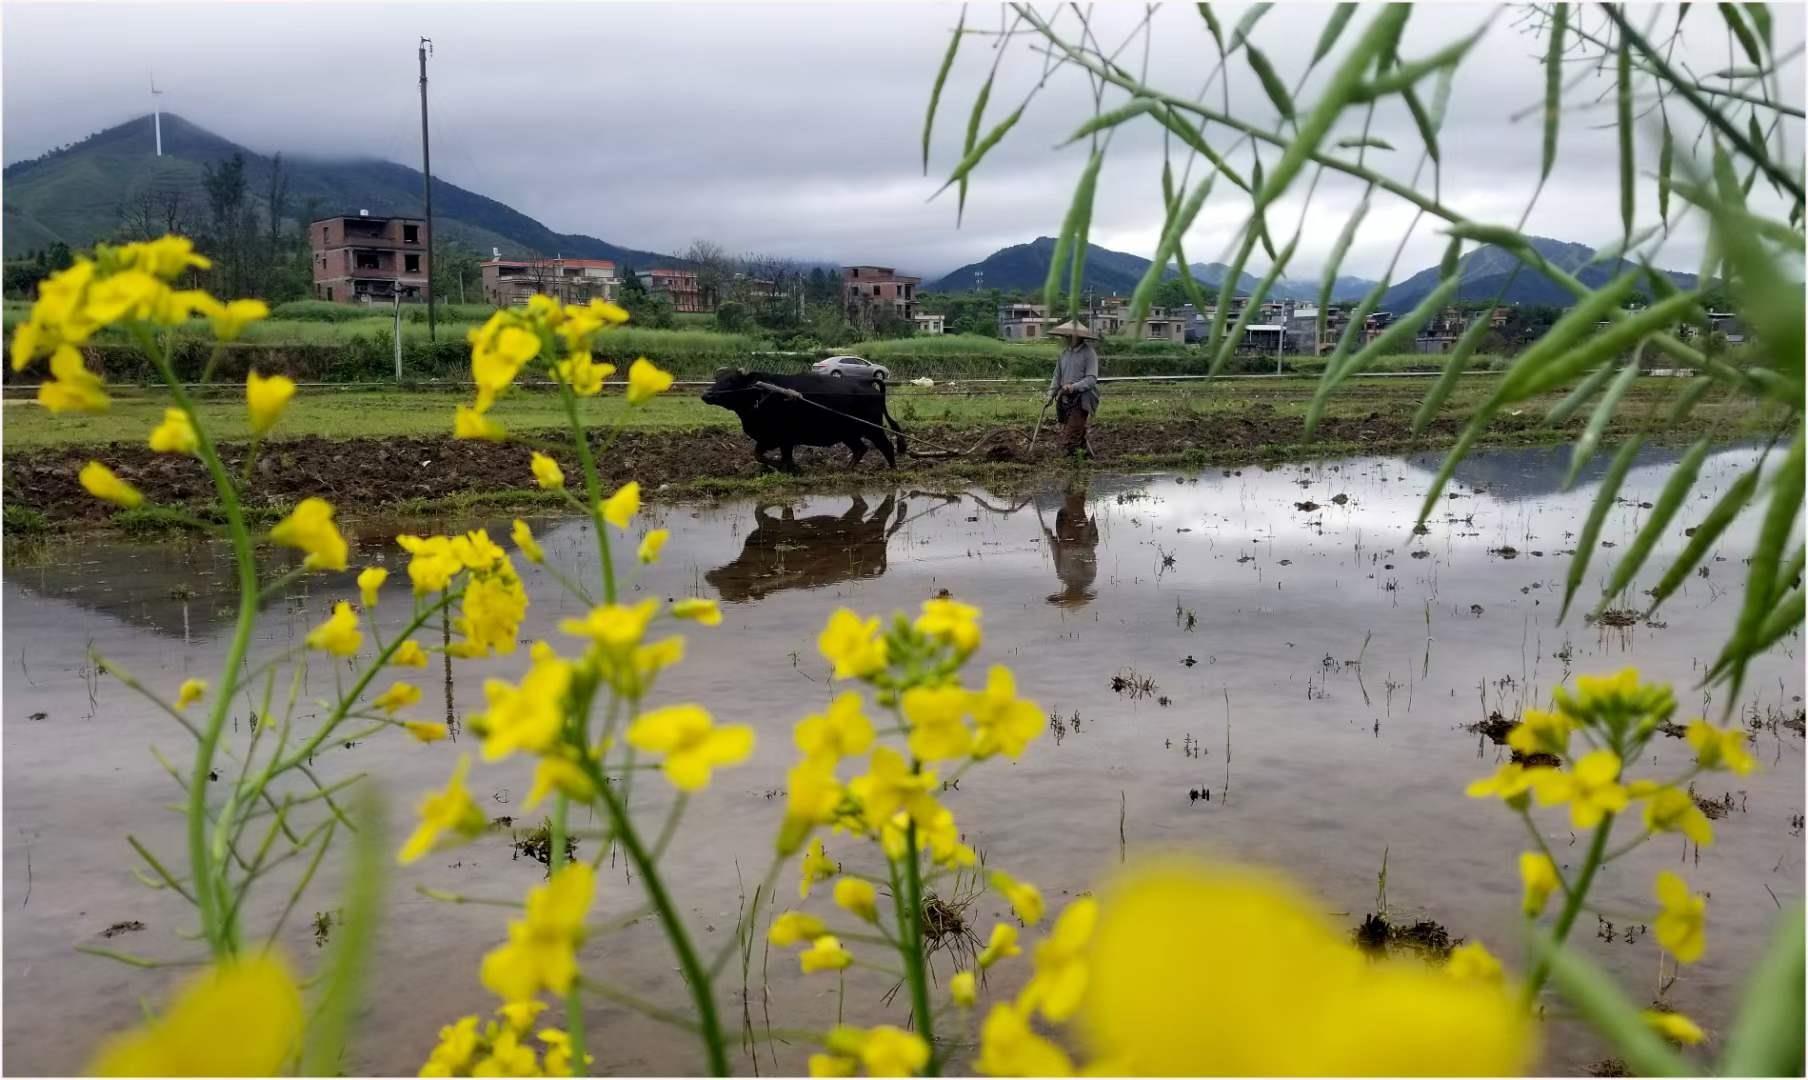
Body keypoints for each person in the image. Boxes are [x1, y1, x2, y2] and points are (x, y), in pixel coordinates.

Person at [1046, 320, 1099, 457]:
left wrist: (1073, 387)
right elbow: (1056, 376)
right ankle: (1086, 457)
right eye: (1066, 336)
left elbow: (1091, 379)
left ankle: (1072, 466)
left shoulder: (1089, 353)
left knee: (1070, 440)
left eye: (1070, 336)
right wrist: (1050, 395)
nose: (1067, 338)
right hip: (1065, 399)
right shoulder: (1064, 354)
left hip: (1082, 399)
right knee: (1077, 434)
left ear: (1079, 336)